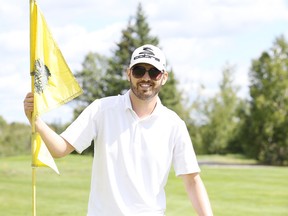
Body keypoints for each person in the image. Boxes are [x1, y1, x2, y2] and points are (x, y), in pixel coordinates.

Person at [24, 44, 213, 216]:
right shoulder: (101, 109)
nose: (146, 78)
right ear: (128, 73)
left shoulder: (174, 124)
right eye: (139, 70)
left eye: (153, 72)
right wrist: (37, 121)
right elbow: (60, 149)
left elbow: (192, 180)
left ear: (163, 77)